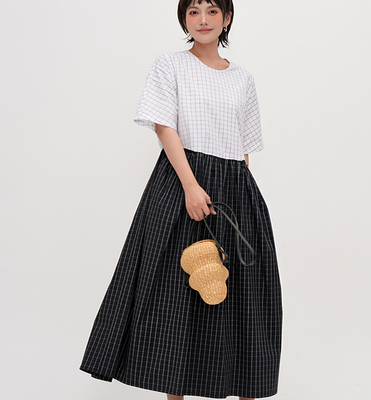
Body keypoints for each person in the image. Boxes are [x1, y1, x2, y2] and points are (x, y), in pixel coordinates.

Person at [79, 1, 283, 399]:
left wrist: (239, 198)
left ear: (227, 18)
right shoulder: (170, 64)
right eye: (193, 11)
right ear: (184, 18)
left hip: (234, 189)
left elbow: (244, 148)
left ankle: (243, 386)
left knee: (243, 296)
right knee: (176, 294)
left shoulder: (243, 78)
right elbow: (164, 126)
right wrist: (190, 186)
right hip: (181, 182)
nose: (203, 20)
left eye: (212, 11)